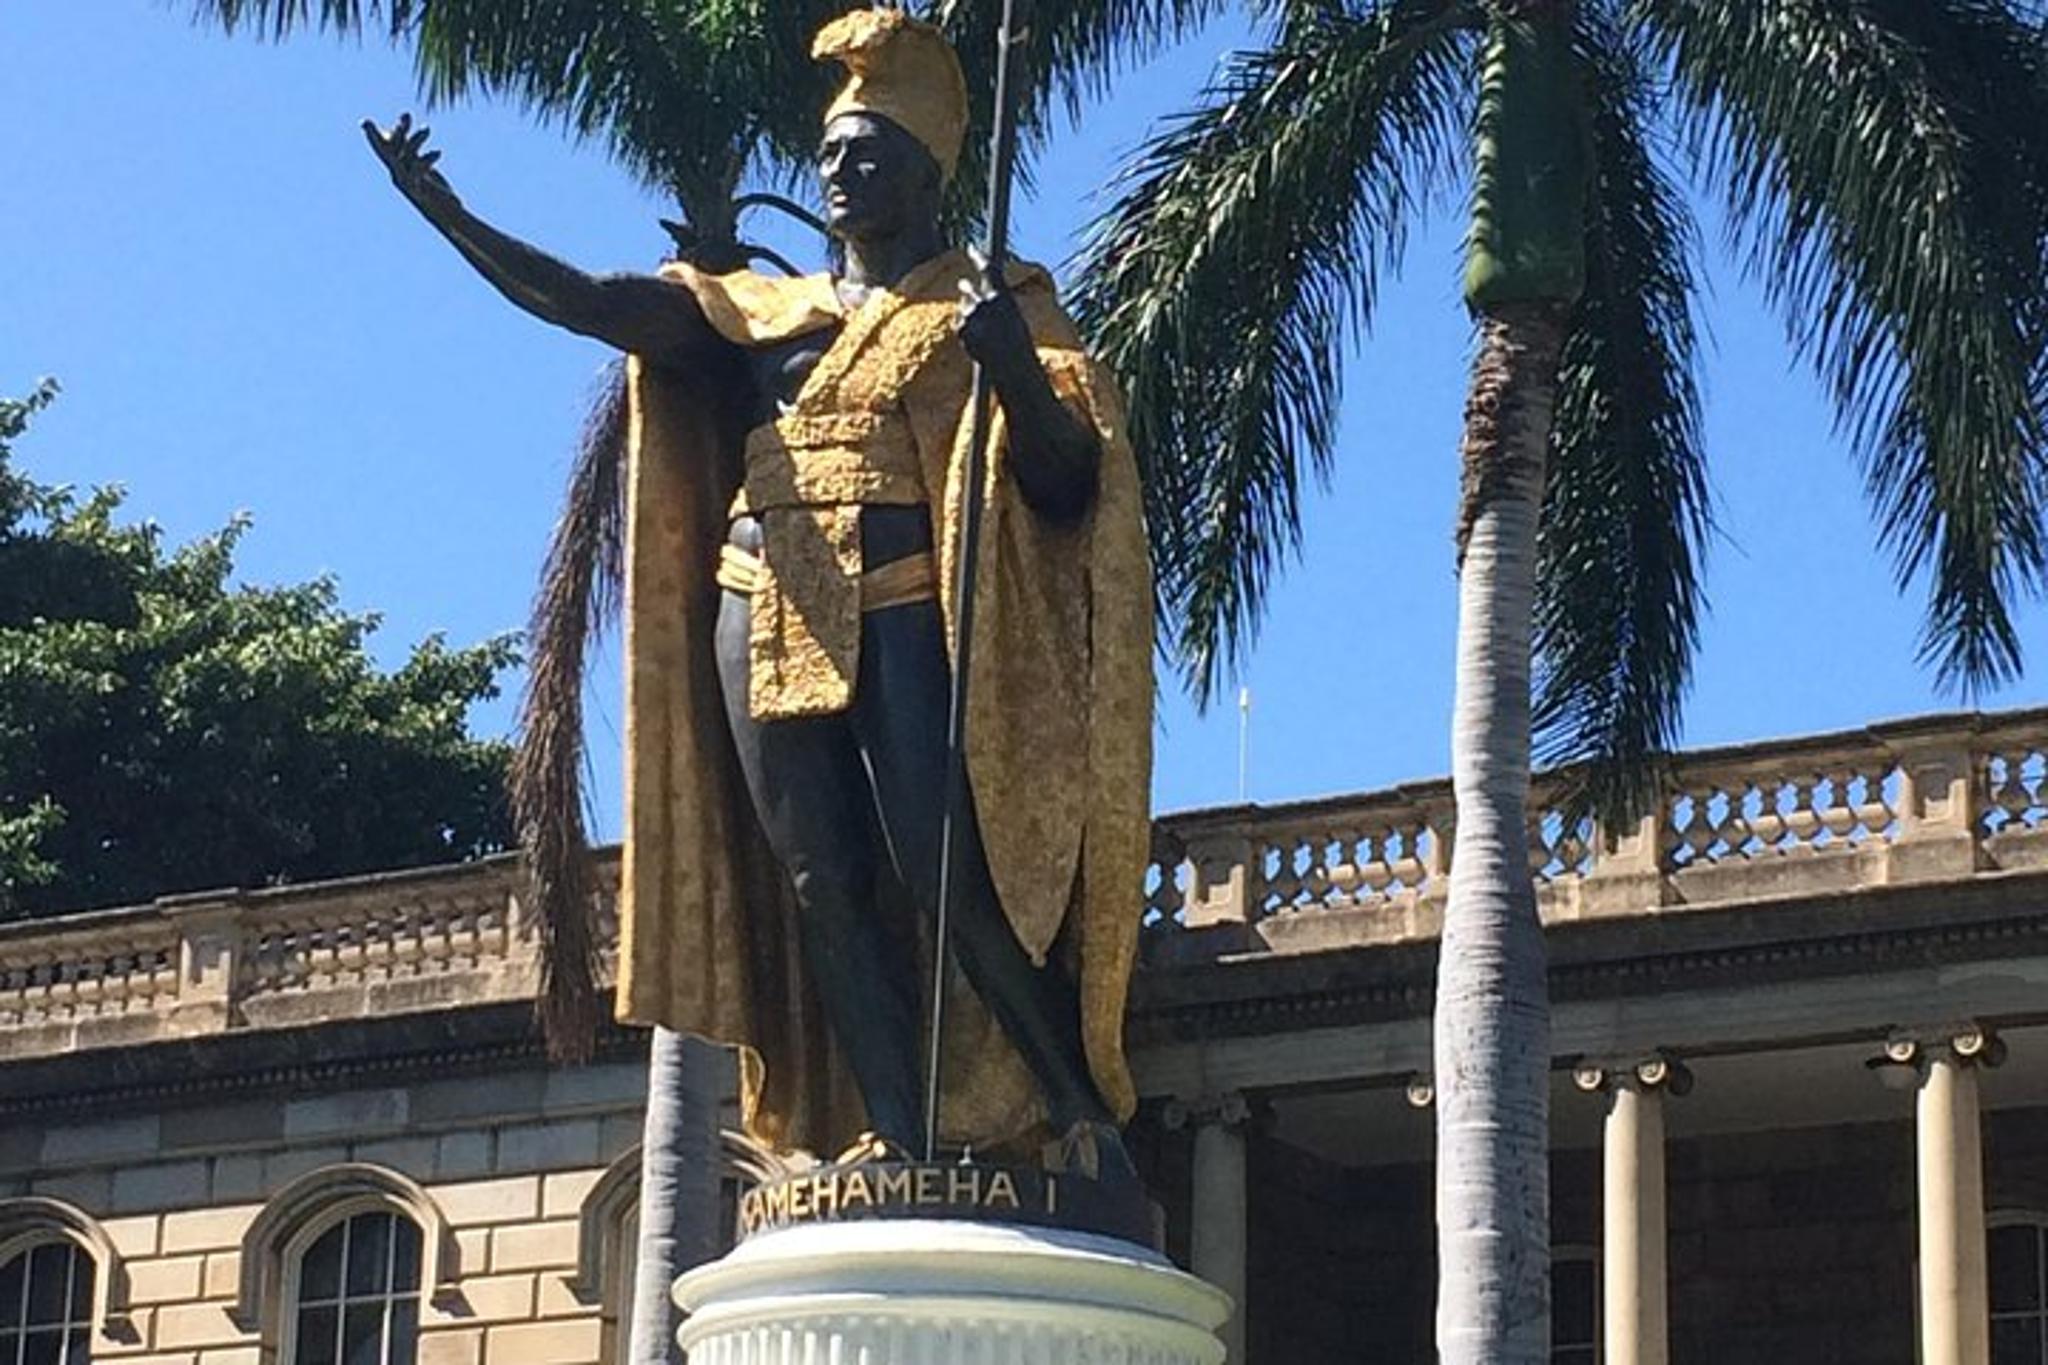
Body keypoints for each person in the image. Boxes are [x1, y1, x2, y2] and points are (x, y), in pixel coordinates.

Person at [364, 8, 1151, 1176]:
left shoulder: (997, 307)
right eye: (831, 155)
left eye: (871, 152)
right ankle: (901, 1130)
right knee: (816, 877)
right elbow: (592, 301)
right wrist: (452, 217)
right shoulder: (756, 313)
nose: (843, 173)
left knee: (944, 871)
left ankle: (1076, 1114)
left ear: (930, 169)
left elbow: (1065, 479)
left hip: (899, 597)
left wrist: (1012, 378)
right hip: (760, 590)